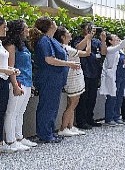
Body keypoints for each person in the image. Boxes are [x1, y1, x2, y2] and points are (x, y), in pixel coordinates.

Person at [30, 17, 80, 143]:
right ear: (50, 25)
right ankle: (45, 133)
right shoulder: (44, 40)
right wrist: (68, 64)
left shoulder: (50, 40)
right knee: (47, 106)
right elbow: (49, 59)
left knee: (52, 106)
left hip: (55, 79)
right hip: (48, 78)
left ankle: (50, 131)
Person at [54, 27, 90, 137]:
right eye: (68, 33)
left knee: (72, 103)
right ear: (62, 37)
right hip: (73, 77)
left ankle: (70, 126)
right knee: (72, 103)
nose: (70, 34)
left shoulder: (64, 47)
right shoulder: (67, 49)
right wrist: (88, 39)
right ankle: (63, 127)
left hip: (74, 76)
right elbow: (87, 53)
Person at [2, 19, 30, 152]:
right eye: (26, 27)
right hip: (18, 80)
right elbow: (10, 66)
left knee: (20, 112)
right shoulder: (11, 45)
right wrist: (15, 85)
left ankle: (19, 137)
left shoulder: (21, 44)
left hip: (26, 80)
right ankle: (11, 140)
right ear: (19, 29)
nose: (28, 30)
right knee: (12, 112)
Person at [72, 22, 106, 130]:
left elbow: (104, 52)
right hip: (84, 72)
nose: (92, 30)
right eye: (89, 28)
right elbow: (78, 48)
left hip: (95, 72)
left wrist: (103, 40)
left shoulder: (96, 41)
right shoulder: (79, 39)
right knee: (83, 99)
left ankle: (90, 118)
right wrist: (88, 38)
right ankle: (81, 121)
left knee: (92, 98)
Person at [100, 30, 125, 126]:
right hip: (113, 76)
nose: (118, 39)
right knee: (112, 97)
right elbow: (122, 45)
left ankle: (116, 116)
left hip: (121, 75)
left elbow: (123, 57)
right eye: (115, 38)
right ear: (110, 41)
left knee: (119, 97)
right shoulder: (110, 50)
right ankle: (109, 118)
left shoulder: (120, 51)